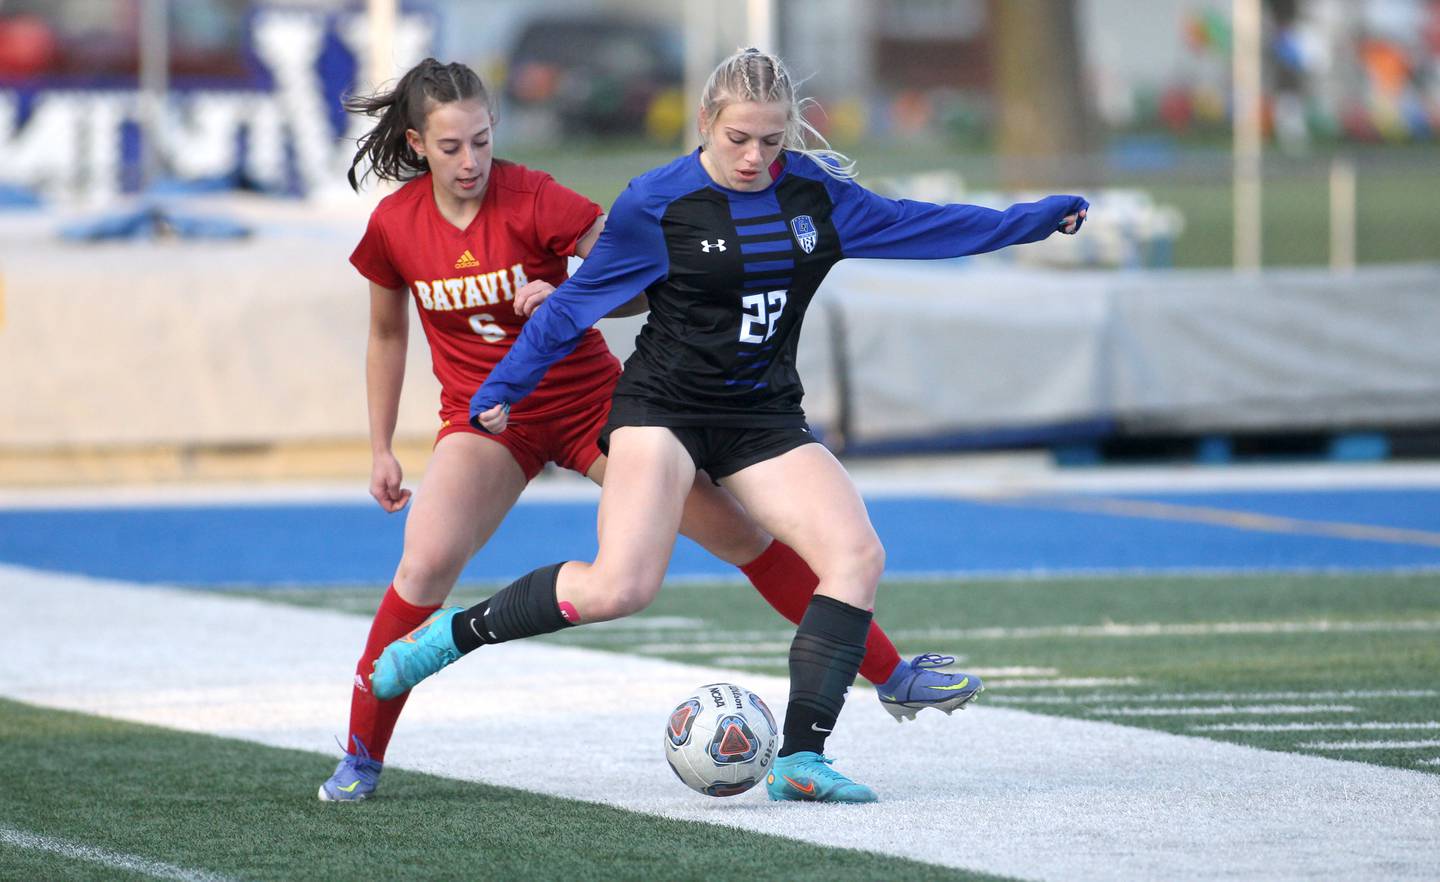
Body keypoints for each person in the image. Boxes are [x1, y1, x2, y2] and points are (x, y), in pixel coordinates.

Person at [370, 49, 1087, 804]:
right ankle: (452, 636)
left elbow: (927, 227)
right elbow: (578, 305)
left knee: (855, 555)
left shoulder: (816, 197)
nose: (754, 157)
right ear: (706, 123)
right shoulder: (657, 201)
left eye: (771, 141)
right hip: (663, 412)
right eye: (739, 138)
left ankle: (802, 761)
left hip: (762, 415)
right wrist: (503, 387)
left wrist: (1032, 220)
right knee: (621, 586)